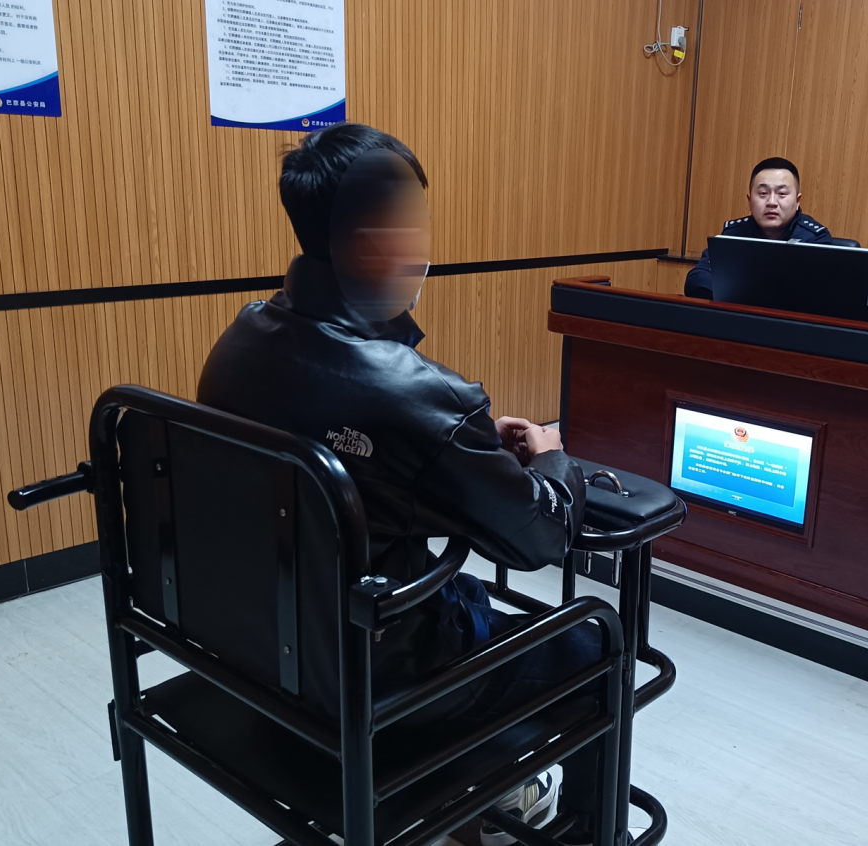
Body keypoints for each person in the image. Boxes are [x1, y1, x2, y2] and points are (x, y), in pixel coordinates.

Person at [197, 123, 601, 845]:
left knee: (464, 594)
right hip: (376, 685)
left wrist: (465, 443)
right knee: (596, 641)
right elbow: (540, 539)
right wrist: (548, 457)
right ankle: (573, 830)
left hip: (257, 654)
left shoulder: (239, 341)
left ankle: (481, 805)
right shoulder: (420, 397)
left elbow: (364, 448)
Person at [684, 156, 833, 299]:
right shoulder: (734, 234)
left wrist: (737, 290)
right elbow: (696, 280)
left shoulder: (815, 239)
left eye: (781, 193)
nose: (772, 202)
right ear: (749, 201)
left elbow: (817, 294)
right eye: (763, 193)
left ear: (797, 201)